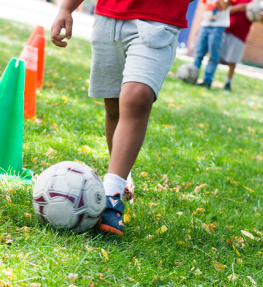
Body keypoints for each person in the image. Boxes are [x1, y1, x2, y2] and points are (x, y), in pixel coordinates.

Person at [50, 0, 192, 235]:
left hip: (159, 19)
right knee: (114, 106)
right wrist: (66, 8)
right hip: (109, 19)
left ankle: (111, 195)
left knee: (136, 99)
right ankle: (122, 175)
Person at [220, 1, 263, 90]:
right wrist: (240, 7)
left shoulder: (257, 4)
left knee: (233, 61)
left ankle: (228, 83)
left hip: (240, 35)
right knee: (217, 57)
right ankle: (208, 78)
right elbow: (225, 11)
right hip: (226, 30)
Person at [193, 0, 232, 88]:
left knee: (213, 56)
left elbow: (225, 7)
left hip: (218, 27)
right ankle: (192, 76)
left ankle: (207, 81)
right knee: (198, 54)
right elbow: (207, 9)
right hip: (205, 25)